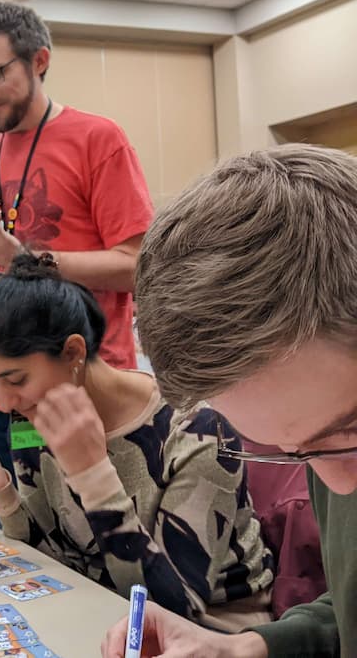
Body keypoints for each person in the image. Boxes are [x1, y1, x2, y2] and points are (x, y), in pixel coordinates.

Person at [101, 144, 357, 657]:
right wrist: (247, 647)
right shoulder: (323, 426)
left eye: (352, 432)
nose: (337, 483)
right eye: (296, 452)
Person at [0, 252, 273, 630]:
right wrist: (1, 491)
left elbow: (173, 609)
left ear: (74, 353)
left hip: (211, 634)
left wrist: (92, 472)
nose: (4, 401)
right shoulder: (32, 416)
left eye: (15, 380)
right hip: (96, 614)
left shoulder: (198, 429)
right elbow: (52, 559)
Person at [0, 0, 154, 484]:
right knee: (19, 538)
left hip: (83, 385)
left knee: (95, 542)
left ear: (39, 61)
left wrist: (31, 259)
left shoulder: (98, 139)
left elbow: (139, 264)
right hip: (3, 393)